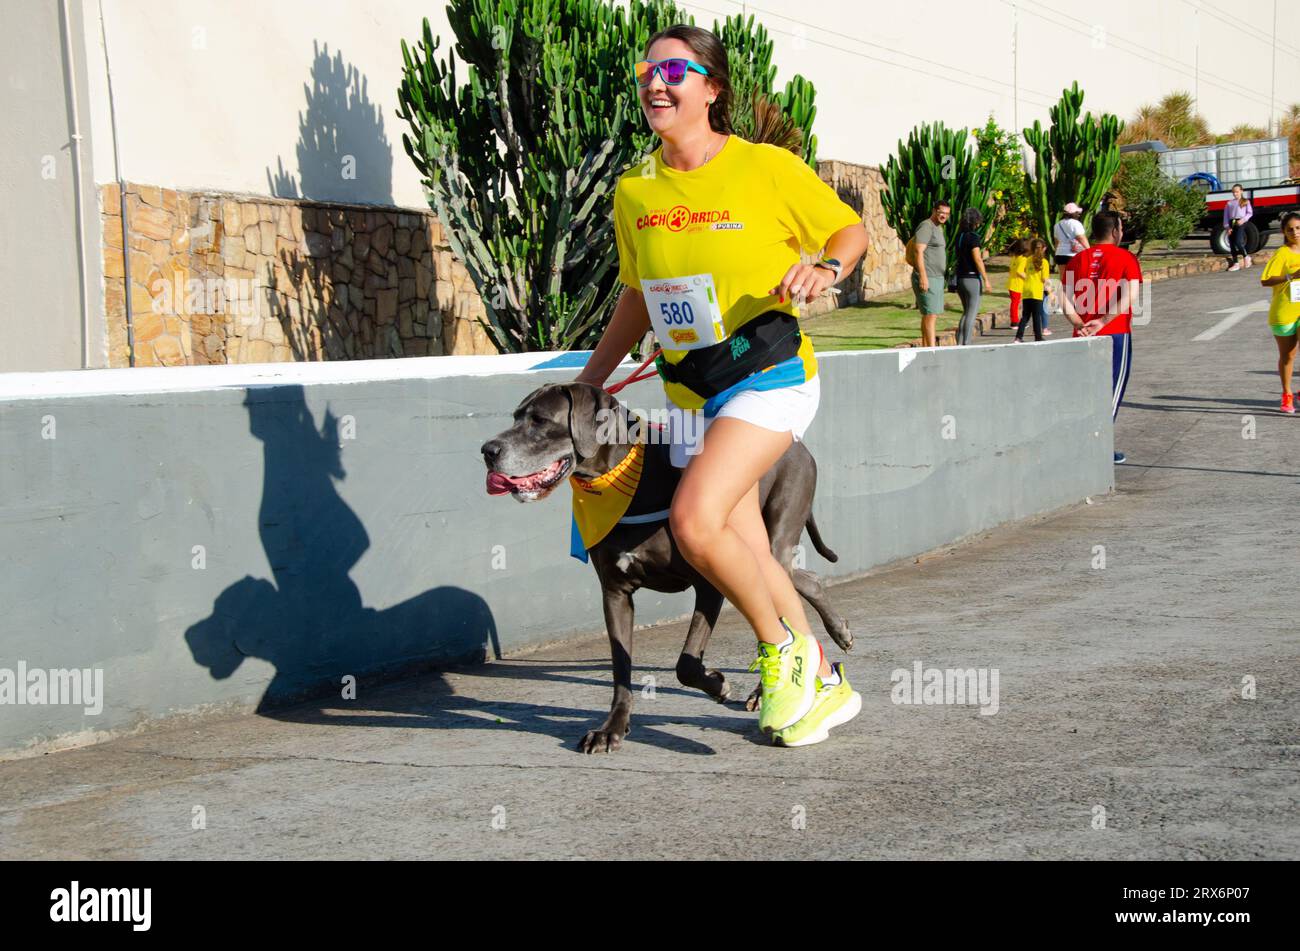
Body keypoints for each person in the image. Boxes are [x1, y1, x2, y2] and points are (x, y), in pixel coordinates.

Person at [575, 25, 871, 747]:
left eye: (673, 69)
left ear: (711, 86)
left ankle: (781, 649)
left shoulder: (764, 168)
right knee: (750, 550)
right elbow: (638, 296)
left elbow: (850, 232)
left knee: (695, 519)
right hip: (694, 395)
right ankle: (826, 685)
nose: (654, 81)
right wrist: (586, 384)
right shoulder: (635, 191)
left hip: (770, 374)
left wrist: (825, 270)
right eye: (647, 69)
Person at [1060, 211, 1143, 463]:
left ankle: (1083, 442)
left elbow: (1062, 297)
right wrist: (1104, 320)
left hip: (1081, 335)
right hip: (1114, 334)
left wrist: (1079, 323)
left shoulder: (1077, 259)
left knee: (1086, 390)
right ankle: (1098, 448)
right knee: (1111, 391)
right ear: (1116, 231)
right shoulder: (1126, 257)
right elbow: (1130, 295)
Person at [1259, 211, 1300, 413]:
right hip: (1284, 311)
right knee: (1288, 356)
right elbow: (1265, 280)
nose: (1295, 232)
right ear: (1284, 232)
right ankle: (1287, 394)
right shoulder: (1281, 254)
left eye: (1298, 228)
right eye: (1290, 229)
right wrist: (1290, 276)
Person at [909, 200, 950, 347]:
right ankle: (932, 350)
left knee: (929, 315)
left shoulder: (938, 228)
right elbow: (918, 251)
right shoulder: (926, 226)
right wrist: (923, 277)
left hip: (937, 277)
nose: (944, 216)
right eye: (941, 213)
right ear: (934, 211)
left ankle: (926, 347)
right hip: (928, 277)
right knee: (930, 315)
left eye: (947, 214)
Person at [953, 209, 991, 346]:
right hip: (972, 278)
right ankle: (966, 343)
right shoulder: (973, 237)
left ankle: (960, 342)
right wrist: (986, 279)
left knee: (966, 312)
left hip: (960, 278)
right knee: (972, 312)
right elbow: (977, 258)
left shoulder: (960, 236)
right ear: (976, 221)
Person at [1012, 238, 1051, 342]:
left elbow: (1019, 271)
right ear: (1043, 249)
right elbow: (1044, 279)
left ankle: (1018, 337)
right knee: (1036, 315)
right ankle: (1038, 337)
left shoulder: (1027, 259)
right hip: (1037, 291)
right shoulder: (1044, 262)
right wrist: (1050, 291)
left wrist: (1028, 278)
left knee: (1025, 316)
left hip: (1026, 290)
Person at [1224, 184, 1254, 271]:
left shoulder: (1245, 202)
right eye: (1233, 192)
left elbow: (1249, 213)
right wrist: (1227, 227)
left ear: (1241, 191)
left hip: (1240, 222)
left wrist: (1243, 220)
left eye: (1237, 192)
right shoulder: (1229, 203)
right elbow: (1226, 216)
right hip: (1231, 223)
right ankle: (1235, 263)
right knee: (1232, 244)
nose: (1235, 194)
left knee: (1238, 241)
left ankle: (1246, 257)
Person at [1005, 238, 1029, 328]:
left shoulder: (1014, 258)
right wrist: (1028, 278)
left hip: (1011, 283)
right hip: (1017, 284)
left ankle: (1015, 320)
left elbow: (1011, 270)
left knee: (1014, 303)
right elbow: (1019, 271)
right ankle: (1014, 322)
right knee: (1015, 304)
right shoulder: (1023, 259)